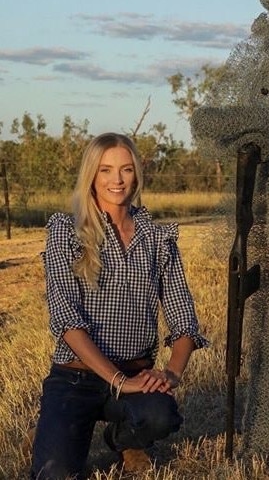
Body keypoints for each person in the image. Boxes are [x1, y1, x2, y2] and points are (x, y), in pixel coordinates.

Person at [30, 132, 208, 480]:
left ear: (137, 174)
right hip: (76, 377)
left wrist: (170, 373)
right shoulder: (66, 232)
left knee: (161, 415)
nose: (117, 180)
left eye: (126, 169)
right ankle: (51, 435)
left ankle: (124, 438)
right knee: (54, 472)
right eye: (106, 170)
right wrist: (116, 381)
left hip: (135, 372)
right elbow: (67, 320)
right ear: (91, 176)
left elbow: (184, 319)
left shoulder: (158, 238)